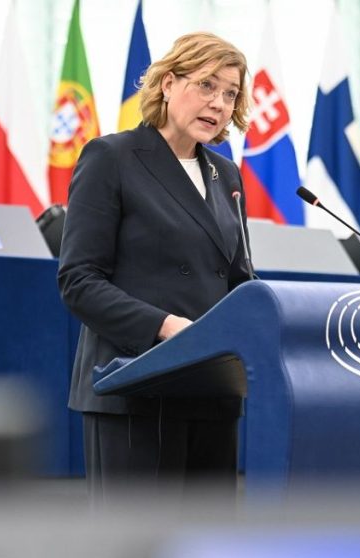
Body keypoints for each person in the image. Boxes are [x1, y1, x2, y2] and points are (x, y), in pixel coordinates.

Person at [58, 32, 253, 503]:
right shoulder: (112, 157)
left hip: (210, 391)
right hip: (135, 387)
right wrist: (165, 326)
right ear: (168, 83)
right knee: (138, 543)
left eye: (230, 94)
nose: (219, 103)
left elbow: (239, 281)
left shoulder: (226, 175)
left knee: (207, 541)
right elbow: (79, 280)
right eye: (207, 85)